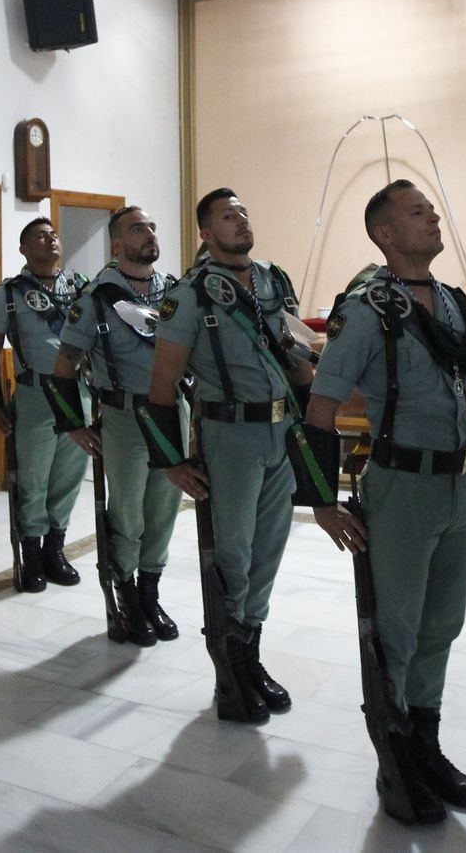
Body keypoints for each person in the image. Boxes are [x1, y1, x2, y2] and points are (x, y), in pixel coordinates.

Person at [302, 180, 466, 826]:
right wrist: (321, 502)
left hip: (456, 485)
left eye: (432, 208)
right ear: (385, 234)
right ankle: (394, 758)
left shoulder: (454, 305)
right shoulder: (366, 310)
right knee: (397, 633)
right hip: (401, 484)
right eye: (418, 212)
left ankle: (426, 744)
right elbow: (320, 411)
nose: (433, 217)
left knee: (443, 623)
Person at [139, 187, 313, 722]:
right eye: (225, 216)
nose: (239, 220)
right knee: (231, 557)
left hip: (281, 431)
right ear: (206, 234)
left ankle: (251, 654)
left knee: (268, 553)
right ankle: (229, 670)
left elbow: (297, 350)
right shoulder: (189, 295)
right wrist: (170, 459)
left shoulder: (272, 281)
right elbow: (163, 385)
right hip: (229, 436)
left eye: (242, 211)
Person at [43, 205, 186, 647]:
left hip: (172, 413)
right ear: (118, 244)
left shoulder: (176, 293)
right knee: (128, 513)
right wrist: (72, 422)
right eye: (138, 228)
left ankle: (150, 593)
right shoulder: (96, 297)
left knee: (164, 509)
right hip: (124, 414)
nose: (149, 233)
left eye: (152, 227)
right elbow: (63, 364)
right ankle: (125, 593)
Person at [0, 217, 90, 593]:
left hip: (77, 394)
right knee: (33, 480)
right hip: (35, 396)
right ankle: (32, 555)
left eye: (54, 234)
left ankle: (55, 552)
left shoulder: (82, 289)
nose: (50, 240)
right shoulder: (8, 294)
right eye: (40, 236)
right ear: (24, 248)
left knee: (68, 479)